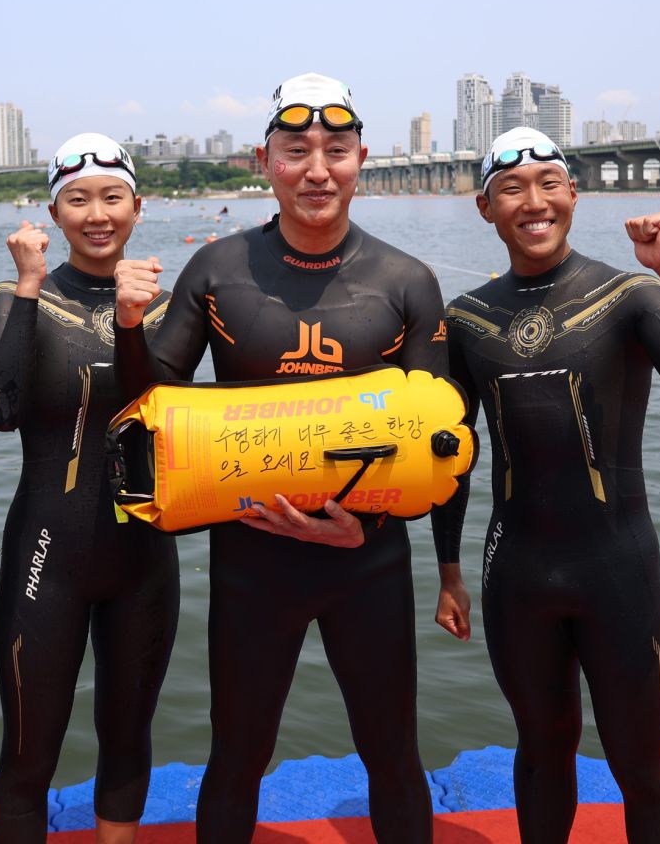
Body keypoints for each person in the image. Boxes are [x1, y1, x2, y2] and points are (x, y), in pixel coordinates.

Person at [113, 73, 446, 843]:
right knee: (236, 758)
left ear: (364, 157)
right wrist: (128, 325)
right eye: (296, 151)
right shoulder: (218, 271)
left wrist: (384, 539)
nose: (317, 169)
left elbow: (440, 443)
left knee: (393, 757)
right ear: (265, 160)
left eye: (336, 149)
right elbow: (149, 409)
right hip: (251, 559)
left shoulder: (406, 282)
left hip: (369, 558)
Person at [432, 126, 660, 844]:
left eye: (549, 183)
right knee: (542, 756)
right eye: (511, 187)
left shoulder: (627, 292)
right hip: (516, 574)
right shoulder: (467, 318)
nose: (533, 200)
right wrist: (448, 569)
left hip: (619, 570)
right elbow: (453, 454)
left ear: (573, 194)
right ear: (485, 207)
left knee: (643, 766)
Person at [0, 134, 180, 844]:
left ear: (137, 206)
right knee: (30, 757)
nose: (98, 214)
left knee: (128, 738)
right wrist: (30, 285)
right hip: (46, 559)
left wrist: (134, 320)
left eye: (112, 197)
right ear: (54, 214)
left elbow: (176, 424)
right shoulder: (11, 298)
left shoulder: (164, 306)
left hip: (144, 562)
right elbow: (0, 411)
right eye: (78, 200)